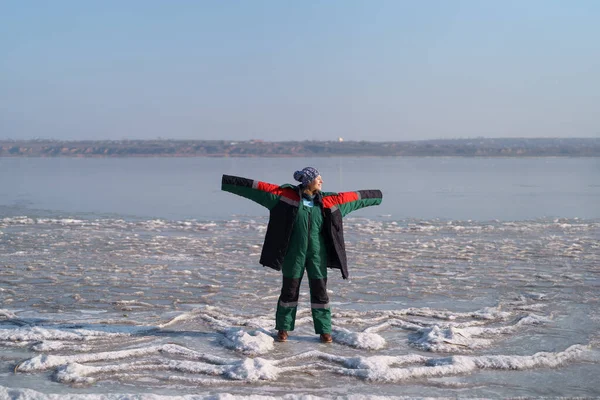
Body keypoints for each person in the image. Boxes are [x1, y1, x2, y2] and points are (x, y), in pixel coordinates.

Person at [221, 167, 382, 343]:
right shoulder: (285, 197)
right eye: (318, 179)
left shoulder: (329, 201)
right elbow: (257, 188)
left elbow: (354, 198)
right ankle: (283, 329)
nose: (322, 181)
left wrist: (377, 196)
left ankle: (324, 330)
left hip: (317, 255)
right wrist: (229, 182)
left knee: (321, 294)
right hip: (293, 255)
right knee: (289, 292)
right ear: (308, 181)